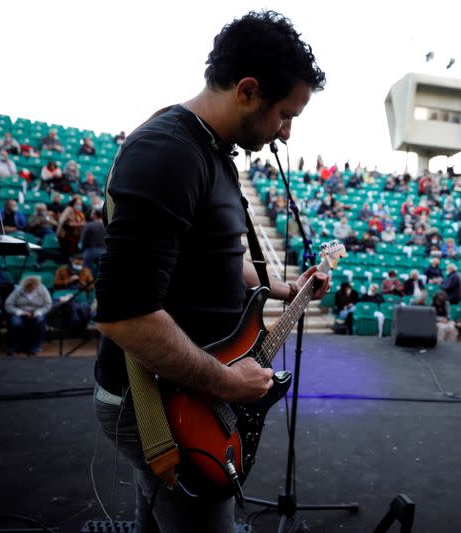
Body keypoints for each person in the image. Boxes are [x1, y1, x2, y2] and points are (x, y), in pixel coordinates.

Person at [92, 11, 328, 531]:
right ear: (247, 90)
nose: (286, 134)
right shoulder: (168, 151)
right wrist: (225, 381)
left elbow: (219, 255)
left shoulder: (216, 153)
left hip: (191, 393)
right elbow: (123, 316)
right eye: (285, 114)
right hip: (164, 404)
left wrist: (279, 287)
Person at [5, 276, 52, 355]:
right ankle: (14, 346)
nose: (30, 289)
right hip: (20, 312)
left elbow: (48, 304)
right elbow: (8, 304)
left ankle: (36, 346)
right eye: (28, 287)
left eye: (33, 288)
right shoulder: (18, 290)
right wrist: (20, 312)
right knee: (15, 323)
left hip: (37, 312)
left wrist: (38, 312)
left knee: (39, 321)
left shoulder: (43, 289)